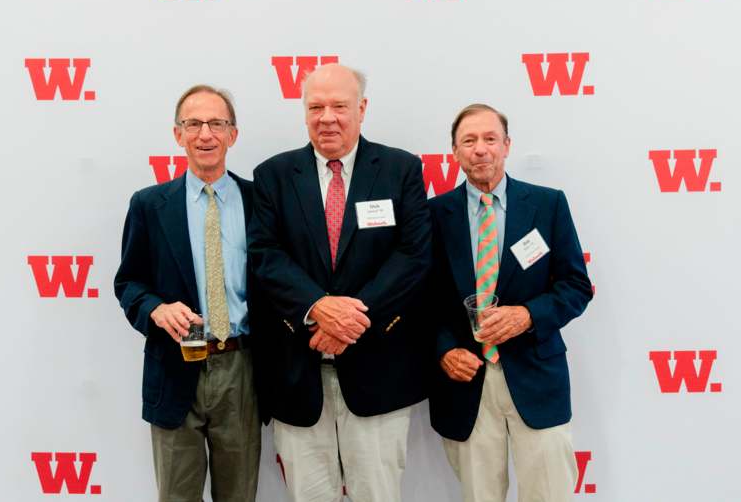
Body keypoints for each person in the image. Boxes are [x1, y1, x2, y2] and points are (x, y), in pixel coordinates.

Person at [248, 63, 431, 501]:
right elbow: (265, 255)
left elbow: (412, 255)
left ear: (362, 109)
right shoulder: (273, 175)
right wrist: (318, 307)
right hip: (298, 371)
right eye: (316, 106)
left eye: (339, 106)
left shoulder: (400, 169)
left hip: (378, 368)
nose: (326, 117)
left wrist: (350, 318)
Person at [428, 103, 593, 502]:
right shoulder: (434, 215)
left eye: (489, 139)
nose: (480, 149)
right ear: (454, 151)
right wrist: (443, 349)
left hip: (536, 376)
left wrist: (527, 315)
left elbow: (576, 285)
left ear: (507, 146)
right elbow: (420, 299)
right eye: (469, 140)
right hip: (466, 384)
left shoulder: (548, 204)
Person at [114, 85, 264, 502]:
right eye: (193, 123)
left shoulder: (260, 201)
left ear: (233, 134)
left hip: (242, 368)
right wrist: (156, 309)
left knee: (239, 496)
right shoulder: (148, 205)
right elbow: (128, 283)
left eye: (217, 123)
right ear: (177, 134)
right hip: (174, 366)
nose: (205, 134)